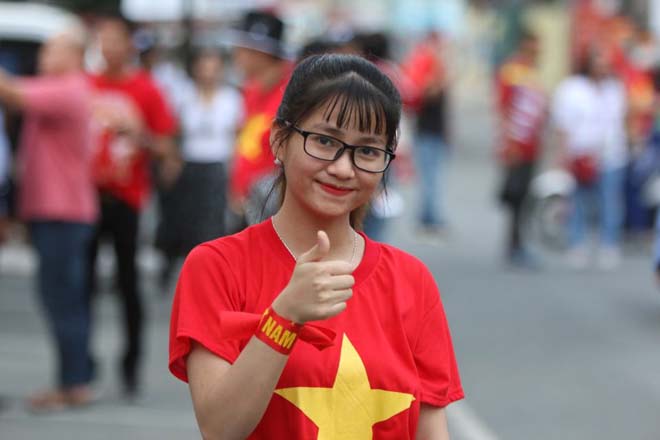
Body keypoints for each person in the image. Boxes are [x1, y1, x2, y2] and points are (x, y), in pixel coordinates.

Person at [169, 54, 463, 439]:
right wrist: (284, 316)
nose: (344, 168)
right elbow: (220, 428)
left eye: (368, 151)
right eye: (324, 141)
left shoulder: (412, 280)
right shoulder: (216, 266)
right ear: (279, 139)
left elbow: (430, 428)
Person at [0, 31, 98, 410]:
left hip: (63, 213)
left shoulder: (70, 89)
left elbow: (10, 92)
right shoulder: (57, 87)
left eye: (51, 49)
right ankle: (76, 376)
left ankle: (73, 383)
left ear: (74, 55)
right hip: (53, 212)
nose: (43, 55)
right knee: (62, 297)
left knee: (63, 299)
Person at [88, 14, 178, 396]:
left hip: (127, 198)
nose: (108, 47)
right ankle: (82, 363)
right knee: (82, 285)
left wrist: (139, 135)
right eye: (102, 39)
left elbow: (168, 148)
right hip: (85, 199)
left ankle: (131, 367)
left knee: (127, 285)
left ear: (129, 45)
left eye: (115, 39)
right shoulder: (84, 84)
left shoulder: (147, 89)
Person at [155, 50, 243, 286]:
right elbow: (176, 132)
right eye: (204, 66)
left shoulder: (231, 99)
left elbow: (238, 134)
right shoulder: (185, 96)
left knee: (213, 220)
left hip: (217, 164)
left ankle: (210, 271)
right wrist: (172, 161)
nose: (208, 73)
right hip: (190, 163)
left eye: (213, 67)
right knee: (183, 218)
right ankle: (179, 263)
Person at [552, 47, 628, 270]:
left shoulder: (615, 89)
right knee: (577, 201)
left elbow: (620, 120)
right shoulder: (572, 89)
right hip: (581, 155)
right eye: (598, 63)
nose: (602, 68)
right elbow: (563, 124)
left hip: (611, 155)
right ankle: (577, 243)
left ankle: (609, 244)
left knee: (610, 201)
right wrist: (562, 153)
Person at [225, 10, 292, 228]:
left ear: (260, 53)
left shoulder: (293, 95)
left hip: (273, 208)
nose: (236, 55)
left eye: (242, 49)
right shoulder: (252, 90)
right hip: (245, 206)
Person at [495, 30, 546, 268]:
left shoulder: (533, 73)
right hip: (517, 145)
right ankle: (515, 245)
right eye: (533, 46)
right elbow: (504, 109)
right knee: (517, 196)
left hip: (532, 146)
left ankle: (517, 242)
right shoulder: (513, 70)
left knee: (524, 197)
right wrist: (508, 142)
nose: (537, 50)